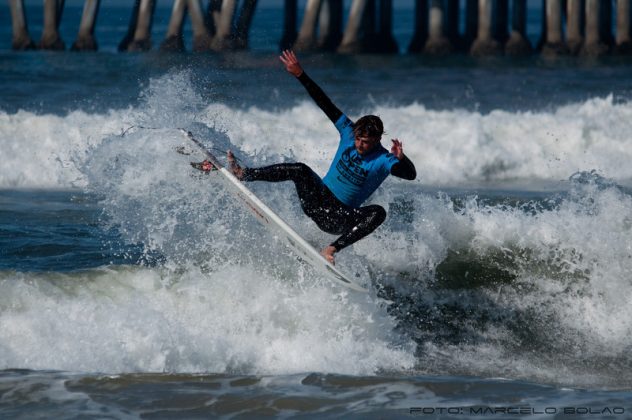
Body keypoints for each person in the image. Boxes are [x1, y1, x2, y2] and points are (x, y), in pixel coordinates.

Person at [194, 50, 416, 265]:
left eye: (366, 142)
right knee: (300, 169)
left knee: (378, 212)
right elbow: (324, 103)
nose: (359, 144)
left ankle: (331, 249)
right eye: (358, 139)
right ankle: (244, 173)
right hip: (316, 201)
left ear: (377, 140)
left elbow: (410, 175)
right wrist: (300, 74)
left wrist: (402, 159)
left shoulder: (384, 159)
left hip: (339, 218)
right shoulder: (348, 132)